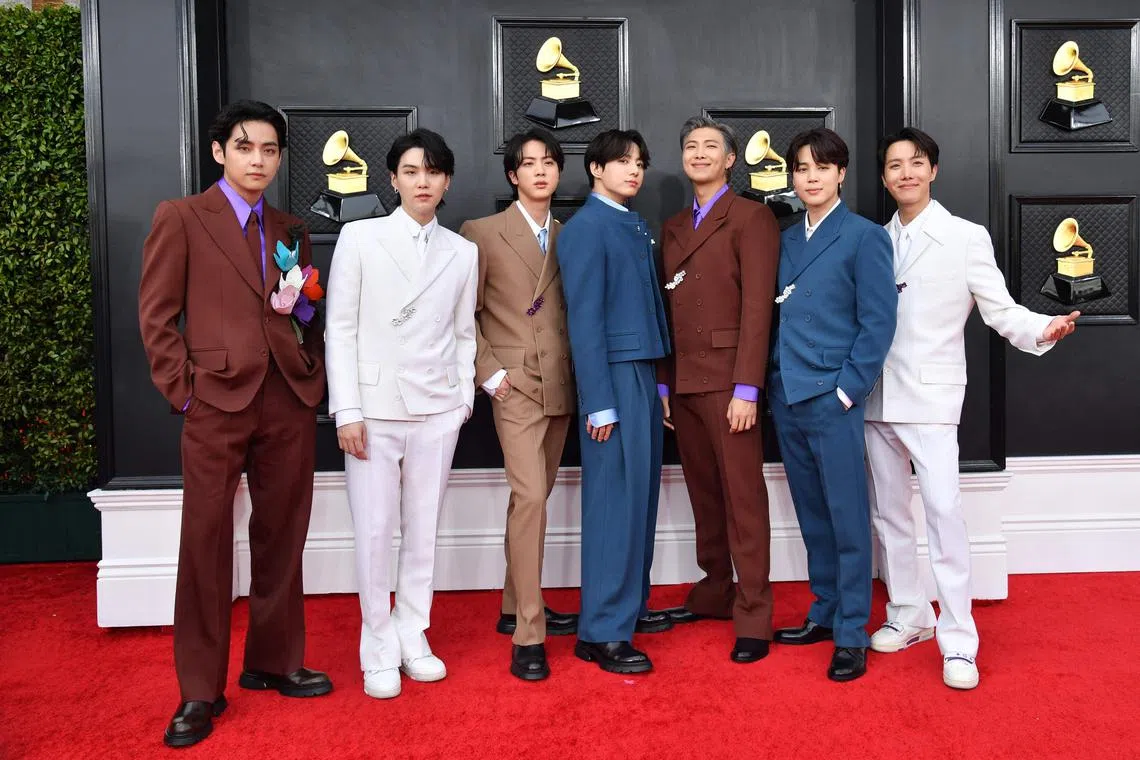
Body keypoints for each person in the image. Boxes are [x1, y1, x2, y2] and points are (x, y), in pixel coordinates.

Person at [139, 100, 331, 748]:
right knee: (205, 543)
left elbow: (302, 311)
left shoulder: (290, 227)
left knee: (282, 535)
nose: (259, 159)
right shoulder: (183, 218)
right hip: (214, 403)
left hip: (286, 400)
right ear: (220, 151)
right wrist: (185, 395)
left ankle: (274, 662)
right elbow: (157, 316)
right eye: (246, 147)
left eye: (270, 149)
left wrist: (309, 370)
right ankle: (199, 689)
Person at [865, 127, 1078, 690]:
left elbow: (1000, 309)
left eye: (915, 163)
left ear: (932, 170)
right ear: (883, 176)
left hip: (932, 398)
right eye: (894, 165)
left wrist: (1043, 327)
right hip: (874, 396)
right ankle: (908, 613)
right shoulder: (871, 239)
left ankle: (958, 640)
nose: (905, 173)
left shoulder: (965, 237)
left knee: (942, 513)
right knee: (887, 514)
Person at [325, 128, 478, 699]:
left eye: (433, 172)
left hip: (438, 410)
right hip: (373, 410)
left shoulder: (463, 252)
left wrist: (463, 398)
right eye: (411, 171)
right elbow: (339, 328)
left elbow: (466, 332)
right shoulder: (360, 237)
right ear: (392, 179)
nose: (423, 181)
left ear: (447, 182)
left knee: (422, 534)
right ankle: (377, 645)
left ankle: (414, 633)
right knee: (375, 532)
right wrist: (346, 409)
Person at [767, 127, 897, 682]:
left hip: (832, 395)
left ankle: (851, 631)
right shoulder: (785, 237)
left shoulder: (864, 236)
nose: (811, 177)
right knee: (812, 512)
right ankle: (823, 612)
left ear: (841, 173)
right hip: (786, 392)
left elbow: (879, 322)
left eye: (821, 166)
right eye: (801, 168)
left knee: (846, 516)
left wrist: (848, 389)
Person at [656, 116, 780, 663]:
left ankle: (754, 613)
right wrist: (664, 380)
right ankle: (714, 591)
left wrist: (747, 388)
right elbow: (663, 309)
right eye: (690, 146)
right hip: (683, 381)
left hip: (731, 383)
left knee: (743, 500)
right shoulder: (674, 222)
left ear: (731, 159)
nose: (699, 153)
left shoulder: (751, 218)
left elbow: (758, 309)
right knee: (704, 496)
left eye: (711, 146)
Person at [458, 128, 579, 681]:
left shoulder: (568, 233)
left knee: (532, 498)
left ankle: (513, 604)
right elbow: (462, 312)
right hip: (514, 387)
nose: (539, 172)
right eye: (528, 163)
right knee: (531, 498)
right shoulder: (481, 232)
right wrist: (491, 374)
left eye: (549, 163)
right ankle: (530, 632)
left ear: (559, 173)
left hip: (561, 386)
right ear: (512, 174)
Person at [556, 129, 672, 674]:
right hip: (613, 379)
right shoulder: (585, 229)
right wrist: (598, 400)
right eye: (623, 161)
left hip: (644, 373)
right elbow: (583, 320)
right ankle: (600, 630)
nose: (634, 170)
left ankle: (631, 606)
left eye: (640, 163)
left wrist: (660, 383)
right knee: (612, 503)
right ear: (596, 168)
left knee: (640, 498)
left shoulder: (631, 222)